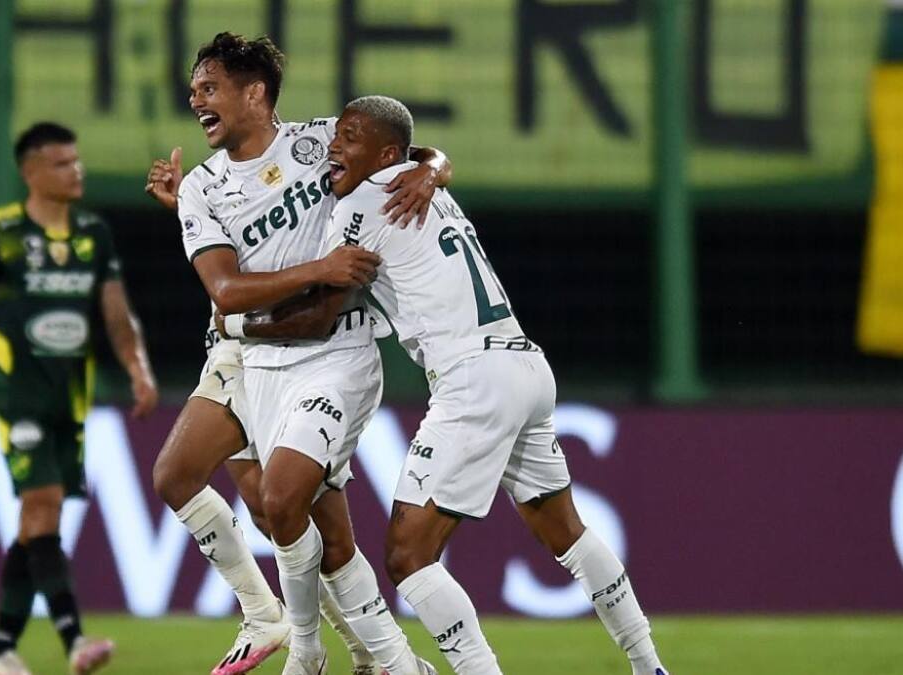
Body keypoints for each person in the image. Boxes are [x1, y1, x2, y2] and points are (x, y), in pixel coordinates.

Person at [221, 95, 672, 675]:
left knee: (408, 556)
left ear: (386, 153)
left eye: (351, 136)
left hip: (473, 378)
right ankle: (648, 665)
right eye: (337, 133)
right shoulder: (426, 187)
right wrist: (432, 166)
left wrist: (236, 320)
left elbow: (319, 316)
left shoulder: (360, 203)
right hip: (525, 365)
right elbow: (426, 157)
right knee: (565, 530)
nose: (336, 144)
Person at [145, 33, 449, 675]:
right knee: (242, 497)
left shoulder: (318, 142)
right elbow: (225, 291)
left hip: (330, 349)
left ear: (254, 93)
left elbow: (407, 149)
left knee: (285, 506)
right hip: (250, 353)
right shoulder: (203, 188)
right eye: (194, 89)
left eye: (209, 87)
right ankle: (363, 654)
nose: (195, 99)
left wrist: (432, 170)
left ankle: (322, 651)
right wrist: (324, 264)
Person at [0, 122, 158, 675]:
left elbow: (115, 311)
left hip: (72, 401)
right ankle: (74, 641)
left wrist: (137, 368)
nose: (76, 170)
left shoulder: (93, 233)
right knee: (42, 505)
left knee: (37, 523)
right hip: (19, 397)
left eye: (77, 161)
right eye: (62, 163)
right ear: (30, 171)